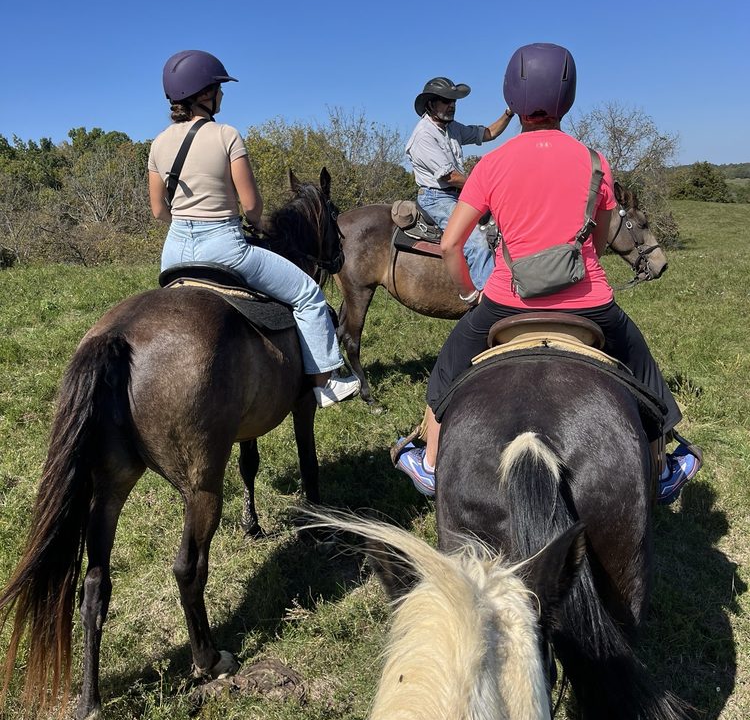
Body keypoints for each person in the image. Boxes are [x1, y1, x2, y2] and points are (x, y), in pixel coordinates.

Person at [395, 43, 702, 502]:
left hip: (504, 303)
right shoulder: (597, 162)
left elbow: (451, 244)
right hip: (590, 304)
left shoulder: (491, 164)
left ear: (512, 100)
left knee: (447, 368)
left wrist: (468, 294)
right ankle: (662, 465)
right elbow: (600, 236)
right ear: (569, 97)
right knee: (641, 365)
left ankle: (432, 464)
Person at [148, 49, 360, 408]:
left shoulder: (158, 142)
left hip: (173, 254)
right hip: (224, 247)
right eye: (218, 87)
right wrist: (256, 223)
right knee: (308, 294)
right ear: (203, 94)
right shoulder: (226, 134)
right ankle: (326, 382)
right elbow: (251, 206)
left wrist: (189, 221)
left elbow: (158, 211)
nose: (222, 94)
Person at [405, 77, 514, 290]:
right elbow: (450, 177)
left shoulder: (451, 128)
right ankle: (489, 300)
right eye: (446, 100)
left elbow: (488, 133)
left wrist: (510, 113)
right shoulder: (423, 136)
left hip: (457, 194)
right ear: (430, 104)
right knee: (477, 244)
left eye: (454, 101)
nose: (452, 105)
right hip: (437, 198)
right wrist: (487, 186)